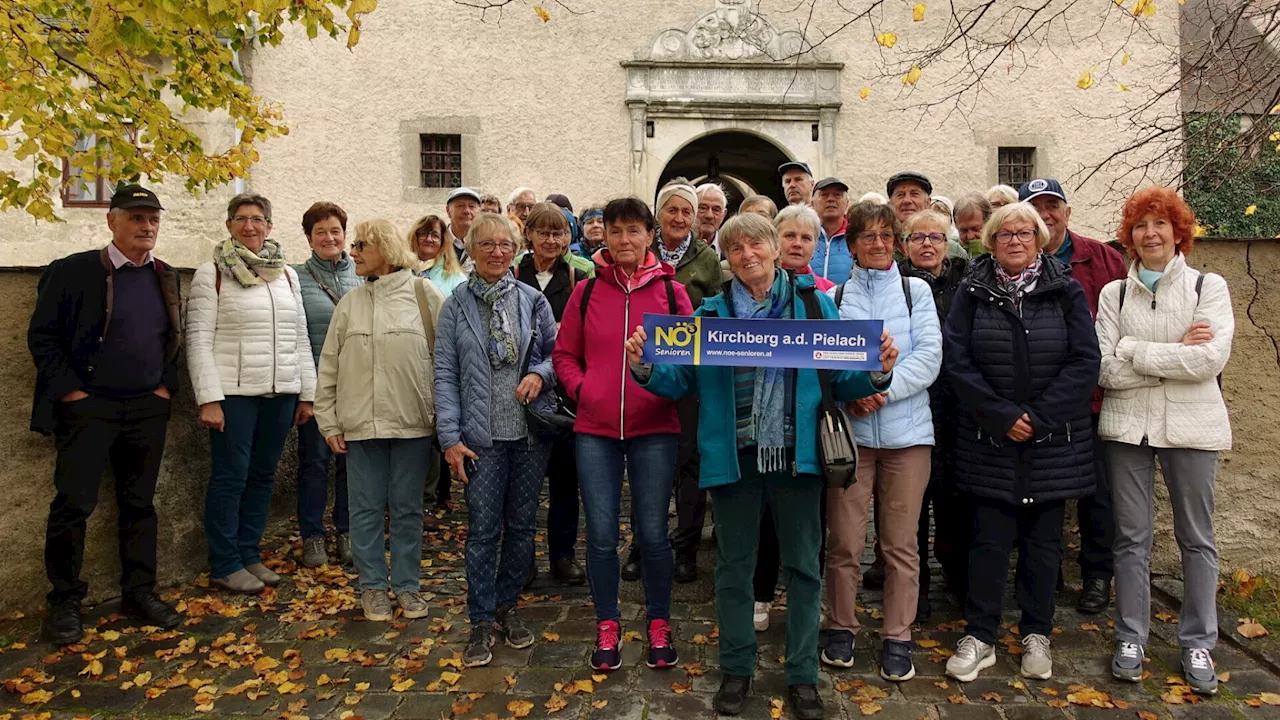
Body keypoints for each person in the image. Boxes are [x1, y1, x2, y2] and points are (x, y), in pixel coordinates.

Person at [625, 212, 899, 720]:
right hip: (736, 457)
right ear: (726, 260)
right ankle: (736, 668)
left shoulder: (815, 308)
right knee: (734, 568)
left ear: (775, 248)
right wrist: (644, 364)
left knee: (801, 568)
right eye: (736, 249)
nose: (748, 255)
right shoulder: (709, 317)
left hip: (797, 457)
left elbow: (842, 382)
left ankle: (802, 675)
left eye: (756, 244)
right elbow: (676, 383)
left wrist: (877, 372)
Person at [942, 202, 1101, 684]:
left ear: (1039, 239)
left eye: (1024, 233)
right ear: (990, 242)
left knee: (1042, 543)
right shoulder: (972, 291)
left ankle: (1037, 632)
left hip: (1052, 441)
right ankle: (981, 635)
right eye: (1005, 234)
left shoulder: (1065, 289)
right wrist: (1002, 416)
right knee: (988, 541)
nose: (1015, 241)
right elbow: (958, 361)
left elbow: (1084, 360)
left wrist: (1039, 418)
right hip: (989, 438)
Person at [29, 184, 184, 644]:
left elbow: (174, 338)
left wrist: (163, 388)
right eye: (136, 218)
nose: (147, 226)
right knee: (73, 506)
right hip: (89, 408)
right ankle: (65, 602)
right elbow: (43, 337)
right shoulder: (74, 271)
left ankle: (139, 592)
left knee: (140, 505)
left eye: (153, 218)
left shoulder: (166, 275)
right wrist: (72, 392)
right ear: (111, 221)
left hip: (145, 408)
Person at [1096, 187, 1233, 695]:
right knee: (1131, 537)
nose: (1149, 234)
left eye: (1160, 225)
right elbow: (1105, 368)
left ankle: (1198, 640)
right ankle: (1131, 635)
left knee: (1196, 538)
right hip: (1128, 427)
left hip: (1193, 428)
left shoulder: (1207, 288)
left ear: (1179, 232)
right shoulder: (1114, 294)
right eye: (1139, 226)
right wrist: (1171, 354)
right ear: (1129, 237)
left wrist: (1137, 351)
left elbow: (1209, 361)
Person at [552, 197, 693, 672]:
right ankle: (607, 622)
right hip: (595, 429)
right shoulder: (586, 292)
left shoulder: (673, 296)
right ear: (604, 238)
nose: (625, 240)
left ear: (650, 236)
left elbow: (685, 367)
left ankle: (658, 623)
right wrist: (583, 389)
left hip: (654, 427)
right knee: (601, 535)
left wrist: (652, 375)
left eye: (634, 230)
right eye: (615, 231)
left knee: (653, 534)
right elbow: (564, 354)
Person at [824, 201, 941, 681]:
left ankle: (897, 634)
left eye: (885, 236)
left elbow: (930, 356)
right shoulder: (836, 297)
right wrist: (856, 392)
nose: (877, 244)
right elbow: (827, 362)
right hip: (851, 439)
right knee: (845, 542)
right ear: (851, 245)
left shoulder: (917, 293)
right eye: (867, 236)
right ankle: (841, 626)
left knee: (900, 544)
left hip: (907, 437)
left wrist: (881, 389)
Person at [435, 213, 558, 667]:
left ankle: (508, 608)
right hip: (479, 439)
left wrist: (539, 374)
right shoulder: (456, 304)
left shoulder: (532, 300)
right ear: (471, 248)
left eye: (505, 244)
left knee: (523, 527)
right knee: (484, 531)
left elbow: (554, 354)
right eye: (486, 244)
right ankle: (481, 619)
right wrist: (449, 436)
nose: (497, 252)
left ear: (516, 249)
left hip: (528, 435)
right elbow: (445, 373)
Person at [314, 219, 444, 621]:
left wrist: (445, 417)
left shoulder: (425, 295)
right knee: (364, 510)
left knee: (407, 509)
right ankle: (372, 588)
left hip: (412, 423)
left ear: (385, 251)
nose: (352, 252)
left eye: (361, 245)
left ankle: (406, 586)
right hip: (360, 425)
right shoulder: (350, 304)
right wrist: (329, 421)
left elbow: (446, 361)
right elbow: (329, 365)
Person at [187, 193, 316, 594]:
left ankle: (248, 554)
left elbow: (299, 337)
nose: (249, 226)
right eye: (241, 219)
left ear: (269, 227)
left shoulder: (287, 276)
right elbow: (198, 339)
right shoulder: (212, 273)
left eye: (257, 219)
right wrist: (209, 397)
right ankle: (224, 563)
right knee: (231, 477)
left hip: (280, 392)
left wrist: (306, 393)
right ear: (229, 226)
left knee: (262, 476)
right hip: (235, 394)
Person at [1018, 177, 1127, 615]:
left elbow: (1124, 318)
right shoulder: (1013, 257)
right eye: (1035, 208)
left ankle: (1097, 575)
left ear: (1066, 212)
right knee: (1042, 491)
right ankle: (1049, 572)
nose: (1045, 214)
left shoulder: (1100, 258)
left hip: (1093, 396)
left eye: (1052, 206)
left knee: (1097, 492)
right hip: (1037, 399)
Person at [749, 203, 832, 632]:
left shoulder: (824, 297)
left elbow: (838, 365)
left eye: (806, 237)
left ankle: (808, 598)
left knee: (810, 524)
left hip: (807, 426)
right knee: (763, 517)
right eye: (790, 235)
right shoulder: (751, 292)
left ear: (817, 246)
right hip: (762, 428)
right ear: (774, 241)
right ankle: (760, 595)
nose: (797, 243)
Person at [896, 209, 972, 621]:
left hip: (957, 408)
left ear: (948, 243)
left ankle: (960, 583)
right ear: (904, 244)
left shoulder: (969, 284)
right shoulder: (895, 284)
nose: (927, 243)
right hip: (911, 404)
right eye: (918, 237)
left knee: (954, 505)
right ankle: (916, 590)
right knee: (910, 509)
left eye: (936, 237)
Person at [515, 203, 594, 585]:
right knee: (523, 481)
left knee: (566, 480)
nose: (551, 240)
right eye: (544, 233)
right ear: (529, 234)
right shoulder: (514, 272)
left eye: (559, 233)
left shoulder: (579, 277)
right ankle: (522, 556)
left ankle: (563, 555)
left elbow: (584, 334)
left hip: (565, 392)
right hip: (522, 390)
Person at [650, 179, 723, 584]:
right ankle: (645, 544)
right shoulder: (643, 250)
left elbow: (714, 310)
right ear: (659, 214)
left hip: (692, 370)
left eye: (687, 212)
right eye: (672, 209)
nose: (679, 217)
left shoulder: (707, 258)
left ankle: (685, 547)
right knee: (651, 457)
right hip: (648, 367)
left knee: (691, 461)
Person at [293, 202, 363, 568]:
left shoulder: (362, 275)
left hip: (356, 386)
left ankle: (347, 530)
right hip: (318, 385)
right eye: (320, 231)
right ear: (308, 238)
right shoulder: (294, 276)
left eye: (335, 230)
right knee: (315, 462)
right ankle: (313, 536)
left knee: (351, 464)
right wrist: (306, 390)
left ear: (344, 234)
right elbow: (293, 334)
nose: (329, 237)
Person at [887, 171, 967, 260]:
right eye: (900, 195)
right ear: (890, 204)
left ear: (927, 202)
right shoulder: (883, 249)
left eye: (915, 194)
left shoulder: (953, 251)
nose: (907, 200)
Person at [410, 215, 467, 299]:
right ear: (415, 237)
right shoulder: (400, 271)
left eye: (435, 235)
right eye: (423, 234)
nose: (429, 239)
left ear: (443, 241)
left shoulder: (457, 279)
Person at [810, 177, 852, 283]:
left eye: (837, 195)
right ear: (812, 203)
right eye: (824, 195)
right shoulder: (803, 235)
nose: (831, 199)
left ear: (847, 203)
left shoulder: (856, 236)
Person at [446, 187, 482, 268]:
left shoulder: (485, 243)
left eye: (472, 206)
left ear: (479, 211)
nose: (467, 211)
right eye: (460, 206)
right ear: (448, 210)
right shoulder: (436, 242)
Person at [952, 192, 993, 257]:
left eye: (976, 229)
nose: (970, 236)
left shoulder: (1002, 253)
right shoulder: (950, 252)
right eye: (963, 230)